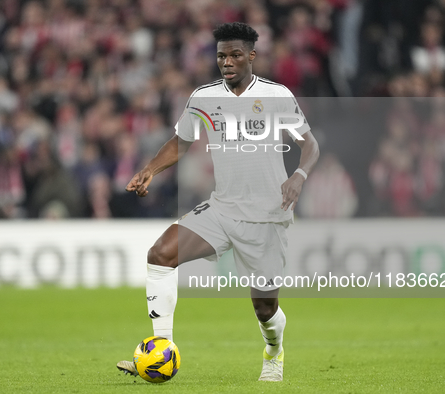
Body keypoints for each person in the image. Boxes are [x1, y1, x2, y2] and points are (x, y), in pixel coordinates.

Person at [117, 22, 319, 382]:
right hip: (222, 208)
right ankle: (162, 349)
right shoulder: (205, 97)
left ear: (251, 56)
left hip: (267, 216)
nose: (227, 61)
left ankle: (274, 350)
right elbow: (181, 142)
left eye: (235, 55)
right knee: (161, 253)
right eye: (221, 55)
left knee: (265, 310)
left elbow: (310, 145)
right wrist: (150, 169)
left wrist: (299, 176)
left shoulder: (276, 96)